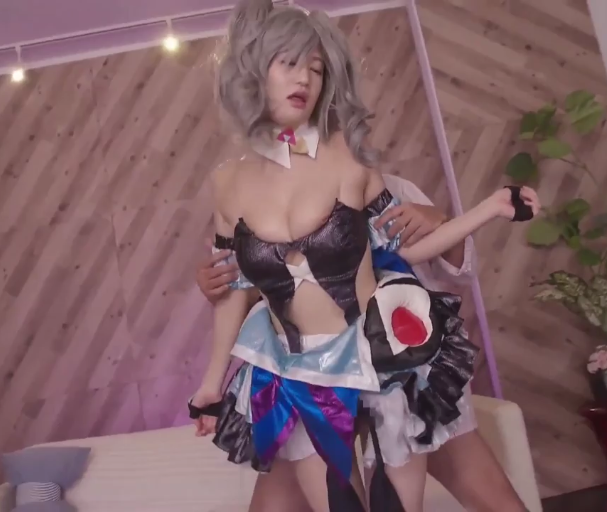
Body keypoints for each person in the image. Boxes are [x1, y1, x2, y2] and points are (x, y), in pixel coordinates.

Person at [188, 1, 540, 511]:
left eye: (316, 68)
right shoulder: (228, 182)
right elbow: (234, 289)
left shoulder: (352, 162)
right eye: (289, 63)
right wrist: (210, 385)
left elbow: (420, 251)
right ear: (253, 70)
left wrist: (488, 208)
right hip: (298, 370)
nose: (304, 79)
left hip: (385, 360)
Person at [196, 176, 528, 512]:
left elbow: (453, 268)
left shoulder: (376, 182)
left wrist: (447, 218)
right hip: (309, 374)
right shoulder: (249, 193)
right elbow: (247, 291)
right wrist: (219, 292)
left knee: (494, 501)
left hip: (401, 367)